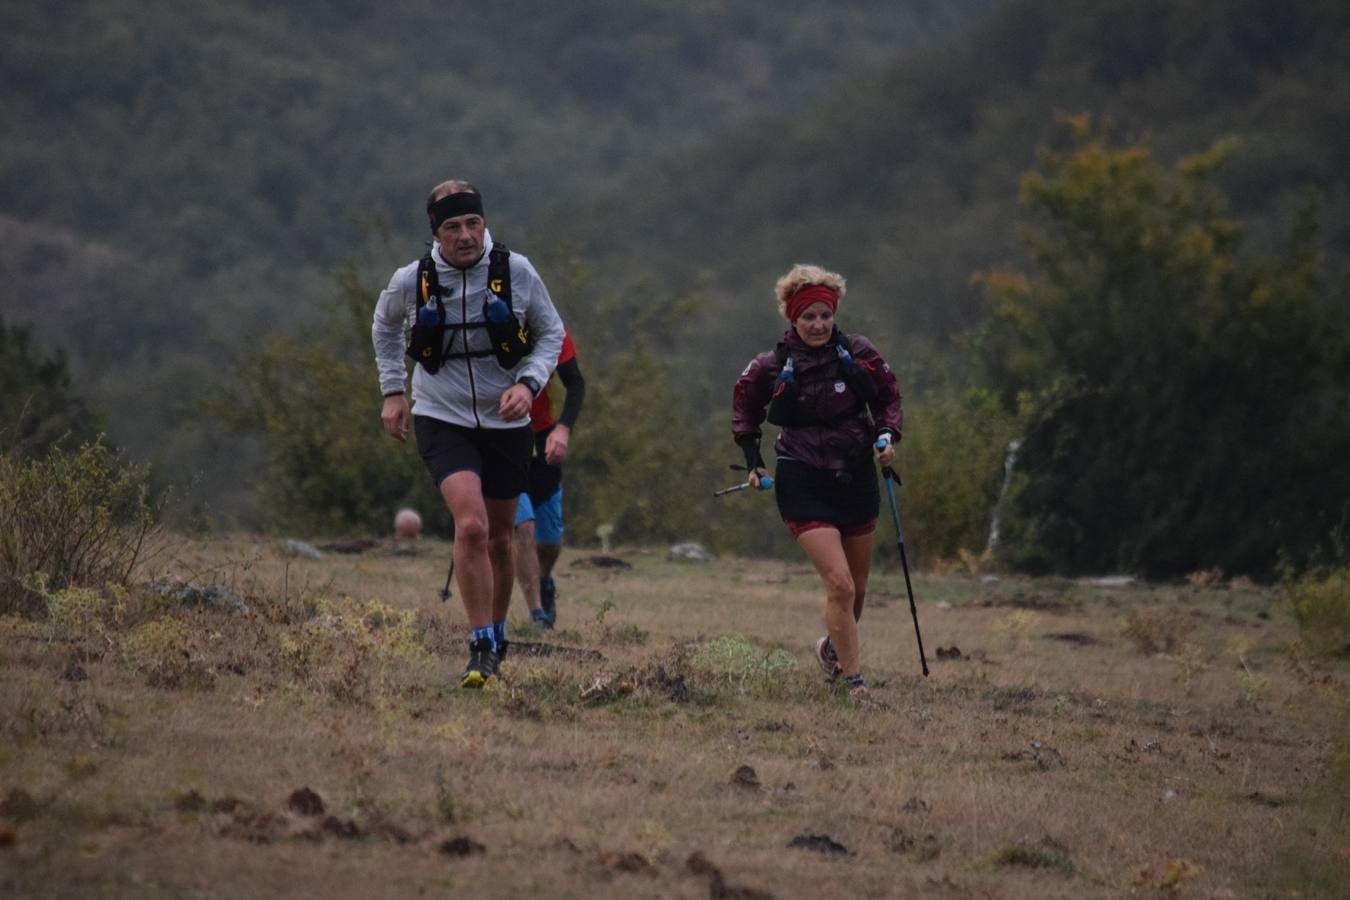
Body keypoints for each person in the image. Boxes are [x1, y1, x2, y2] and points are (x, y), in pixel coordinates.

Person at [373, 180, 564, 688]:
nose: (465, 235)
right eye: (453, 226)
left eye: (472, 223)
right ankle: (479, 646)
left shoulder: (515, 271)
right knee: (473, 526)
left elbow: (551, 334)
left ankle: (497, 638)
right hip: (442, 413)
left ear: (484, 223)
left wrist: (528, 383)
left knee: (502, 538)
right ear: (436, 232)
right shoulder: (411, 279)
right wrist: (393, 391)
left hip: (507, 419)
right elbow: (385, 326)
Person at [731, 264, 902, 701]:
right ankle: (854, 684)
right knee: (840, 584)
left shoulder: (860, 352)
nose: (819, 325)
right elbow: (745, 412)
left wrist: (887, 435)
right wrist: (754, 462)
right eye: (809, 317)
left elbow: (888, 399)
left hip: (856, 476)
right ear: (793, 317)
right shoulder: (770, 366)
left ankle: (830, 649)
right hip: (802, 479)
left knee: (858, 591)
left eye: (826, 315)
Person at [513, 326, 585, 629]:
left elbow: (576, 384)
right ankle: (537, 614)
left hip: (544, 439)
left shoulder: (551, 328)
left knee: (550, 543)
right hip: (504, 439)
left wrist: (563, 428)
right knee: (524, 528)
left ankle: (544, 580)